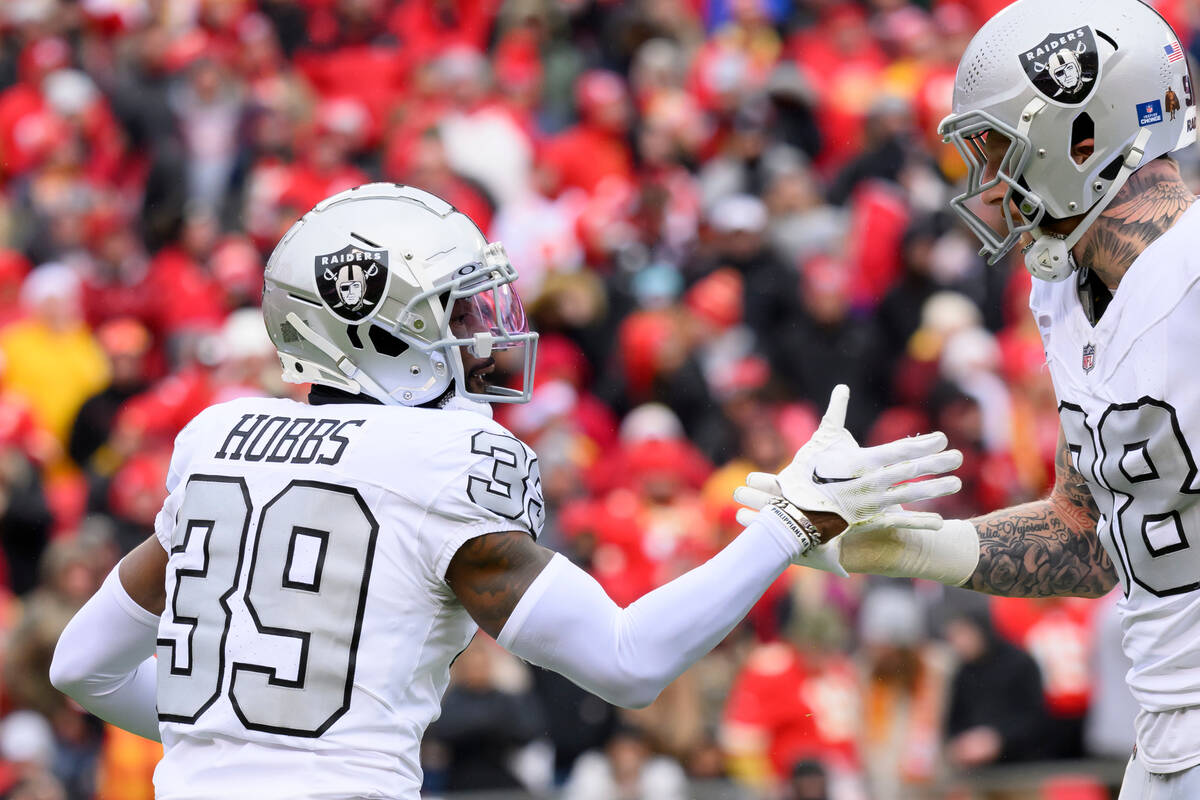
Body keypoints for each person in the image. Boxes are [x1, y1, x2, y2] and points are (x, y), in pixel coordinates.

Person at [47, 183, 962, 800]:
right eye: (453, 311)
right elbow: (626, 661)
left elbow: (82, 665)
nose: (484, 329)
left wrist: (235, 744)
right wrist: (787, 525)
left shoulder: (216, 440)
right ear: (374, 333)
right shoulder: (446, 457)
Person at [736, 1, 1200, 797]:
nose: (990, 186)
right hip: (1161, 742)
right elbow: (1089, 536)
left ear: (1081, 140)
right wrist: (907, 546)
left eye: (1001, 152)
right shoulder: (1062, 292)